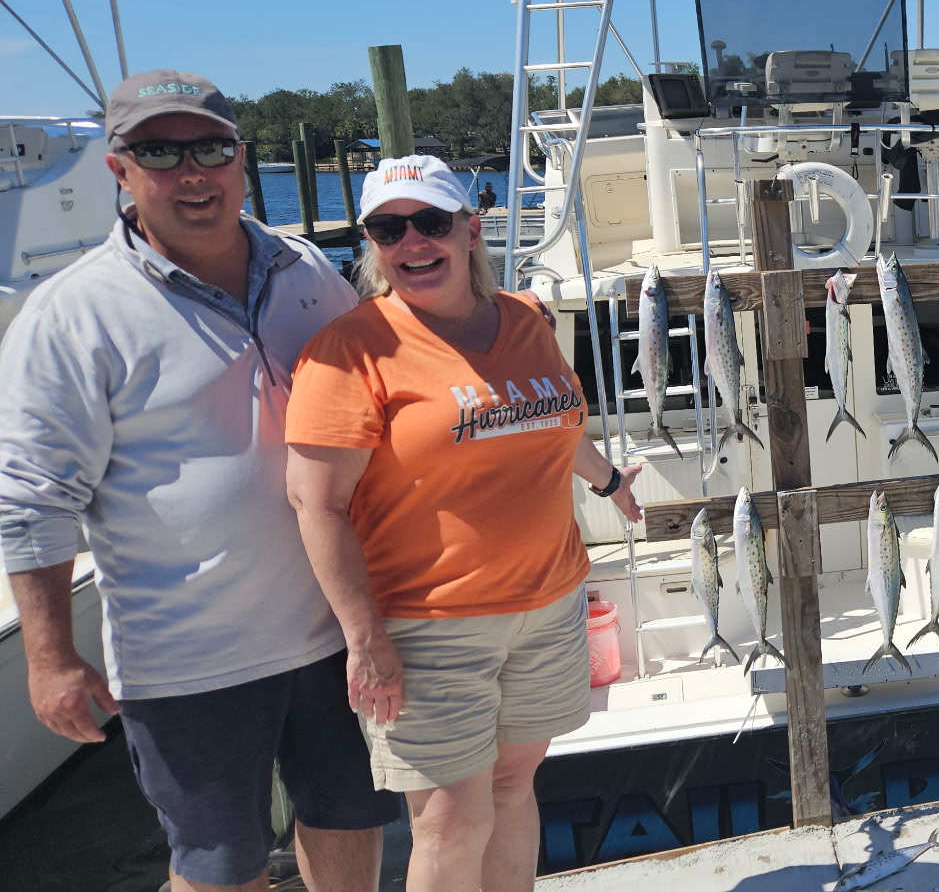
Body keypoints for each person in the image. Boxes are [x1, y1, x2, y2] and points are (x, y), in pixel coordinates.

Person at [0, 69, 397, 892]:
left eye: (211, 149)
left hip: (338, 630)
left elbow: (390, 381)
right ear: (118, 169)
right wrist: (50, 657)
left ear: (240, 159)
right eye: (159, 152)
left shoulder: (306, 270)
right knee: (219, 865)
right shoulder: (70, 313)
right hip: (187, 660)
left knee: (350, 815)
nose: (192, 172)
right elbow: (32, 498)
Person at [284, 154, 643, 890]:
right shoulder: (350, 350)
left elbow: (549, 420)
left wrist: (608, 481)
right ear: (372, 245)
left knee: (513, 789)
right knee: (450, 822)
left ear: (471, 230)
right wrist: (364, 638)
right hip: (429, 625)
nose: (413, 242)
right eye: (389, 229)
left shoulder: (526, 319)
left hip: (548, 606)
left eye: (431, 221)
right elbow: (315, 503)